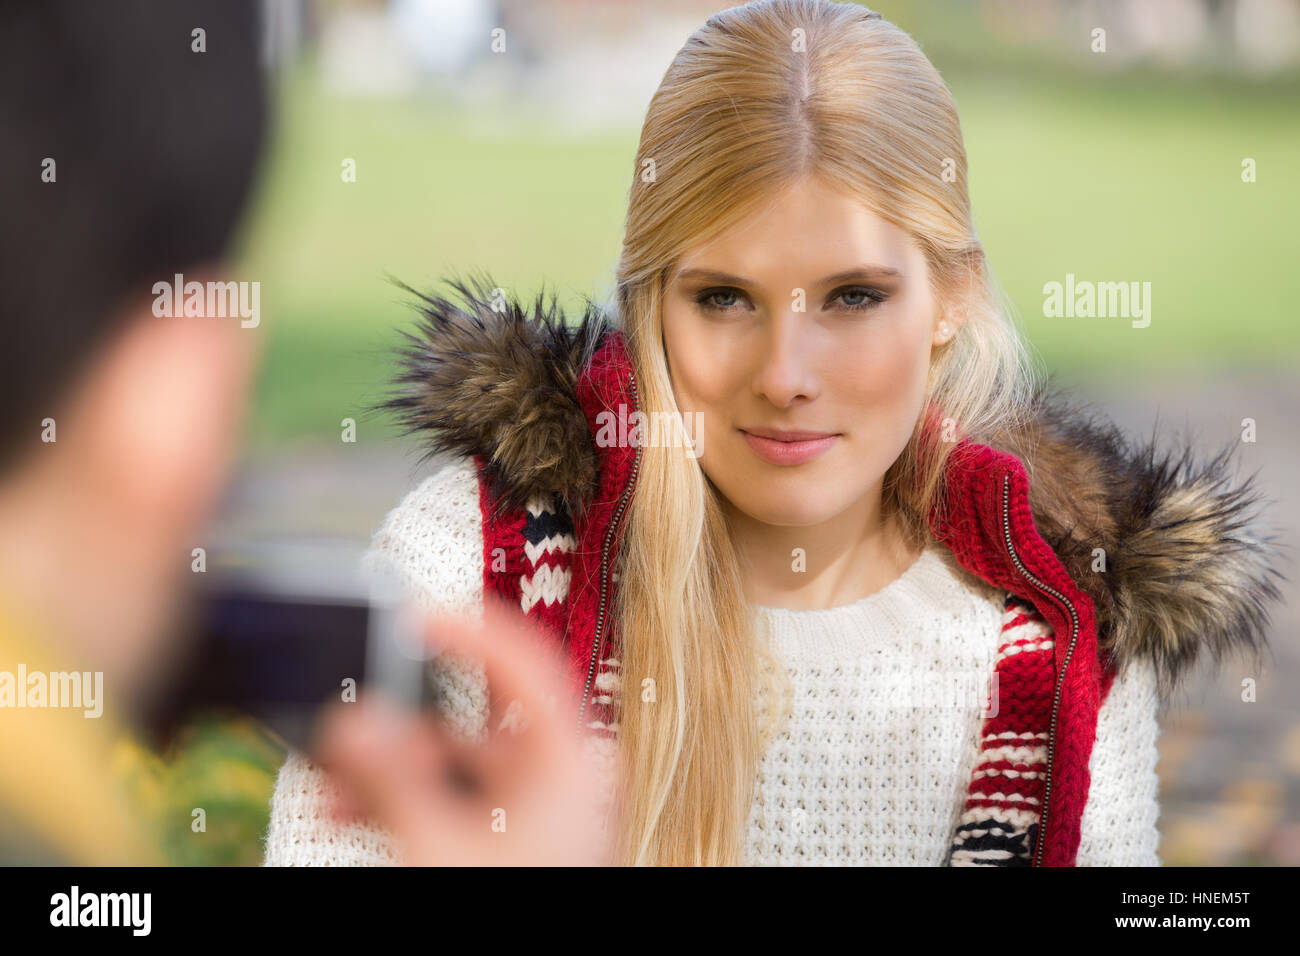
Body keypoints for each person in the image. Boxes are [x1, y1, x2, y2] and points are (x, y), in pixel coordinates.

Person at [264, 0, 1282, 866]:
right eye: (722, 297)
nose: (786, 375)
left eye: (850, 294)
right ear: (647, 302)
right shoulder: (465, 575)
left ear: (950, 299)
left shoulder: (1065, 620)